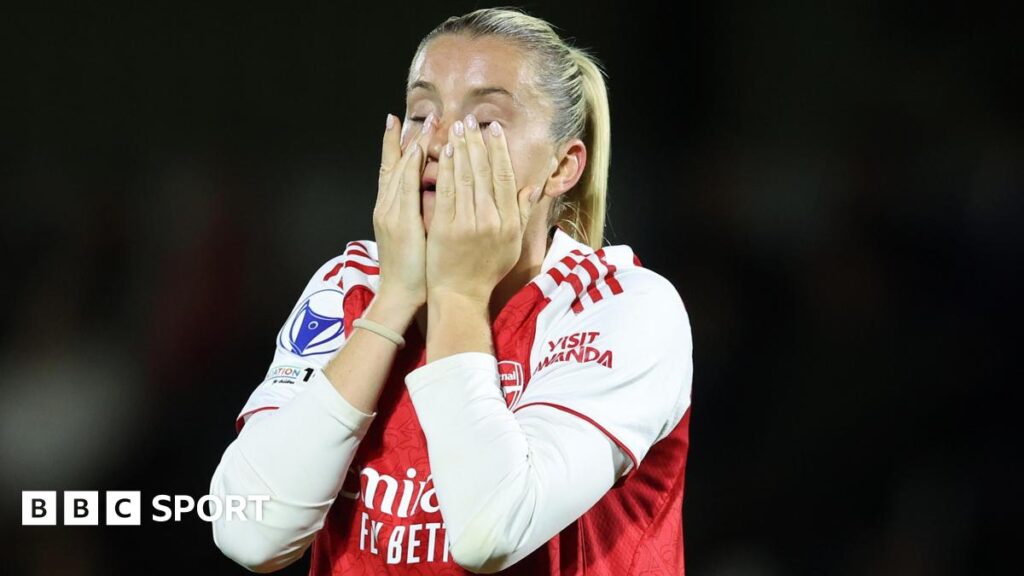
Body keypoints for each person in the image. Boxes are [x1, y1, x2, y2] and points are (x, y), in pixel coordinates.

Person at [209, 7, 693, 575]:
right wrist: (394, 300)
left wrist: (458, 297)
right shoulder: (348, 289)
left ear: (563, 167)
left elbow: (489, 530)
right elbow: (250, 532)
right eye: (420, 113)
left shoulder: (624, 308)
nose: (437, 140)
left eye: (485, 121)